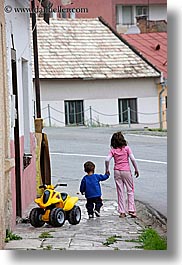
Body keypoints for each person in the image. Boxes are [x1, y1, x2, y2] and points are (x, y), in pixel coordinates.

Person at [105, 131, 139, 218]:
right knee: (130, 190)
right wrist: (136, 169)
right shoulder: (126, 148)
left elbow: (107, 159)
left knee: (120, 191)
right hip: (126, 171)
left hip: (117, 171)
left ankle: (122, 212)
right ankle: (131, 209)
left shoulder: (113, 150)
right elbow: (132, 159)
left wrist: (107, 169)